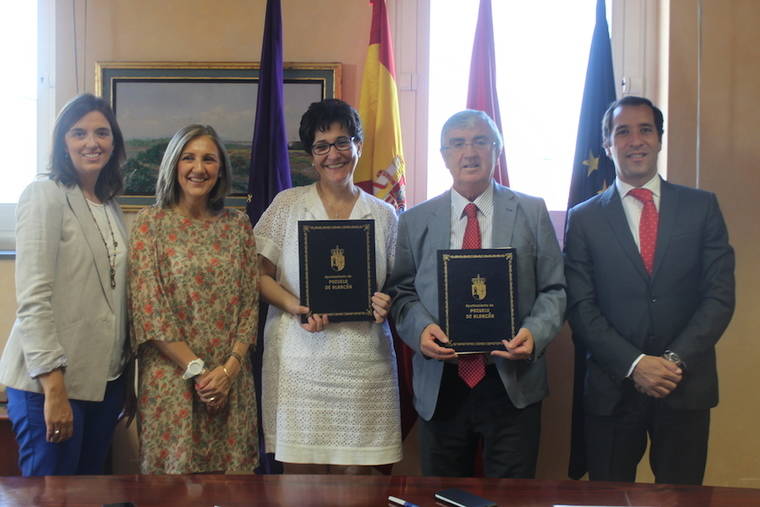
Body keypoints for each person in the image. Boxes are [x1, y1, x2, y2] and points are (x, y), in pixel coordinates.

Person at [564, 96, 735, 484]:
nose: (635, 140)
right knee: (607, 498)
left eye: (645, 130)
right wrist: (635, 364)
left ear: (659, 139)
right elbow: (581, 306)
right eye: (622, 132)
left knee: (682, 498)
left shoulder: (702, 207)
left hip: (685, 384)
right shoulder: (584, 218)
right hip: (613, 388)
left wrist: (672, 361)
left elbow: (719, 296)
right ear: (607, 145)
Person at [388, 110, 566, 478]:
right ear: (444, 155)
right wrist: (421, 331)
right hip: (442, 382)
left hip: (511, 379)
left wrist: (534, 334)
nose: (469, 153)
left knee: (513, 499)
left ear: (497, 150)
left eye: (480, 141)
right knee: (443, 497)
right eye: (458, 144)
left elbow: (554, 289)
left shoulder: (531, 212)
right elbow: (401, 292)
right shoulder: (416, 220)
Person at [254, 98, 401, 473]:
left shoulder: (385, 215)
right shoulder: (287, 205)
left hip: (365, 367)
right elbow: (256, 274)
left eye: (341, 142)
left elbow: (400, 285)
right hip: (298, 366)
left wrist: (389, 302)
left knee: (360, 489)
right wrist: (295, 306)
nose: (332, 154)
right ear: (311, 155)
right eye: (321, 145)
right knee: (301, 490)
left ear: (359, 146)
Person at [0, 94, 131, 476]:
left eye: (102, 133)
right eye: (79, 133)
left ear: (114, 142)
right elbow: (33, 299)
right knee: (50, 497)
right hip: (51, 383)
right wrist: (54, 388)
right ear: (62, 142)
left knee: (87, 495)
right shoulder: (44, 195)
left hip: (103, 384)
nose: (92, 142)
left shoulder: (110, 205)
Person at [129, 125, 259, 474]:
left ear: (220, 169)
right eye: (189, 157)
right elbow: (149, 309)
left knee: (232, 491)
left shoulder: (238, 226)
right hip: (172, 382)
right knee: (171, 490)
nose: (198, 168)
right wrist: (201, 374)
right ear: (173, 163)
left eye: (208, 159)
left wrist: (228, 371)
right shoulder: (149, 225)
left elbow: (250, 305)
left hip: (230, 381)